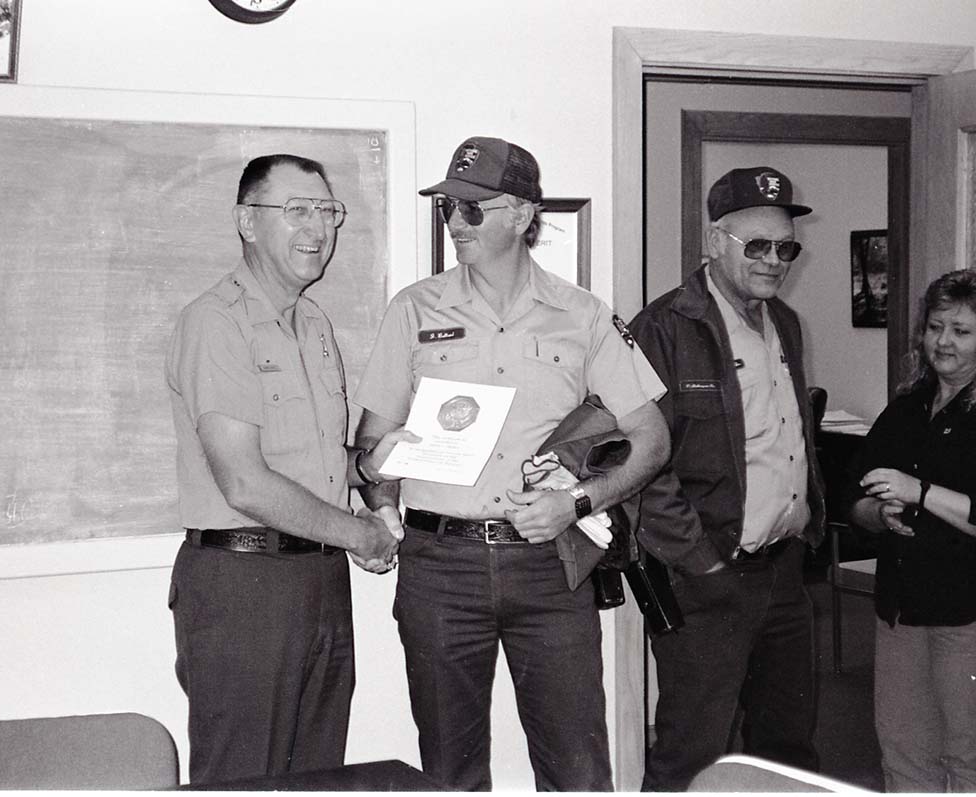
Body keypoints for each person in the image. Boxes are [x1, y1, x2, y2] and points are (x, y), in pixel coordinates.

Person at [354, 136, 670, 791]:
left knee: (577, 771)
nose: (455, 222)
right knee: (450, 772)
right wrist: (381, 499)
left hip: (548, 566)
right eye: (448, 207)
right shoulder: (413, 308)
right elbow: (371, 444)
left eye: (473, 208)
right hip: (440, 566)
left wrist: (577, 502)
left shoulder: (583, 316)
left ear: (524, 215)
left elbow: (653, 439)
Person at [165, 153, 414, 784]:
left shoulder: (315, 324)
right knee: (243, 780)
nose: (318, 227)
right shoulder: (217, 322)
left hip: (319, 580)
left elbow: (316, 464)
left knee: (316, 778)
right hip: (244, 587)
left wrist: (370, 469)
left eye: (327, 211)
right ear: (247, 222)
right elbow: (244, 482)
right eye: (297, 209)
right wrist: (361, 534)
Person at [629, 166, 826, 791]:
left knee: (786, 751)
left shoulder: (784, 323)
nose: (773, 261)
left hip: (784, 571)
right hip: (708, 578)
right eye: (757, 245)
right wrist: (702, 565)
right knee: (694, 754)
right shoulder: (663, 327)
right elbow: (641, 463)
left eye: (786, 249)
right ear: (716, 240)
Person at [847, 268, 976, 792]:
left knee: (967, 756)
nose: (943, 341)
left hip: (966, 616)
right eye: (935, 327)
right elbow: (855, 501)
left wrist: (919, 491)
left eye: (962, 331)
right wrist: (877, 514)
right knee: (903, 753)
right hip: (900, 610)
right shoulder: (906, 407)